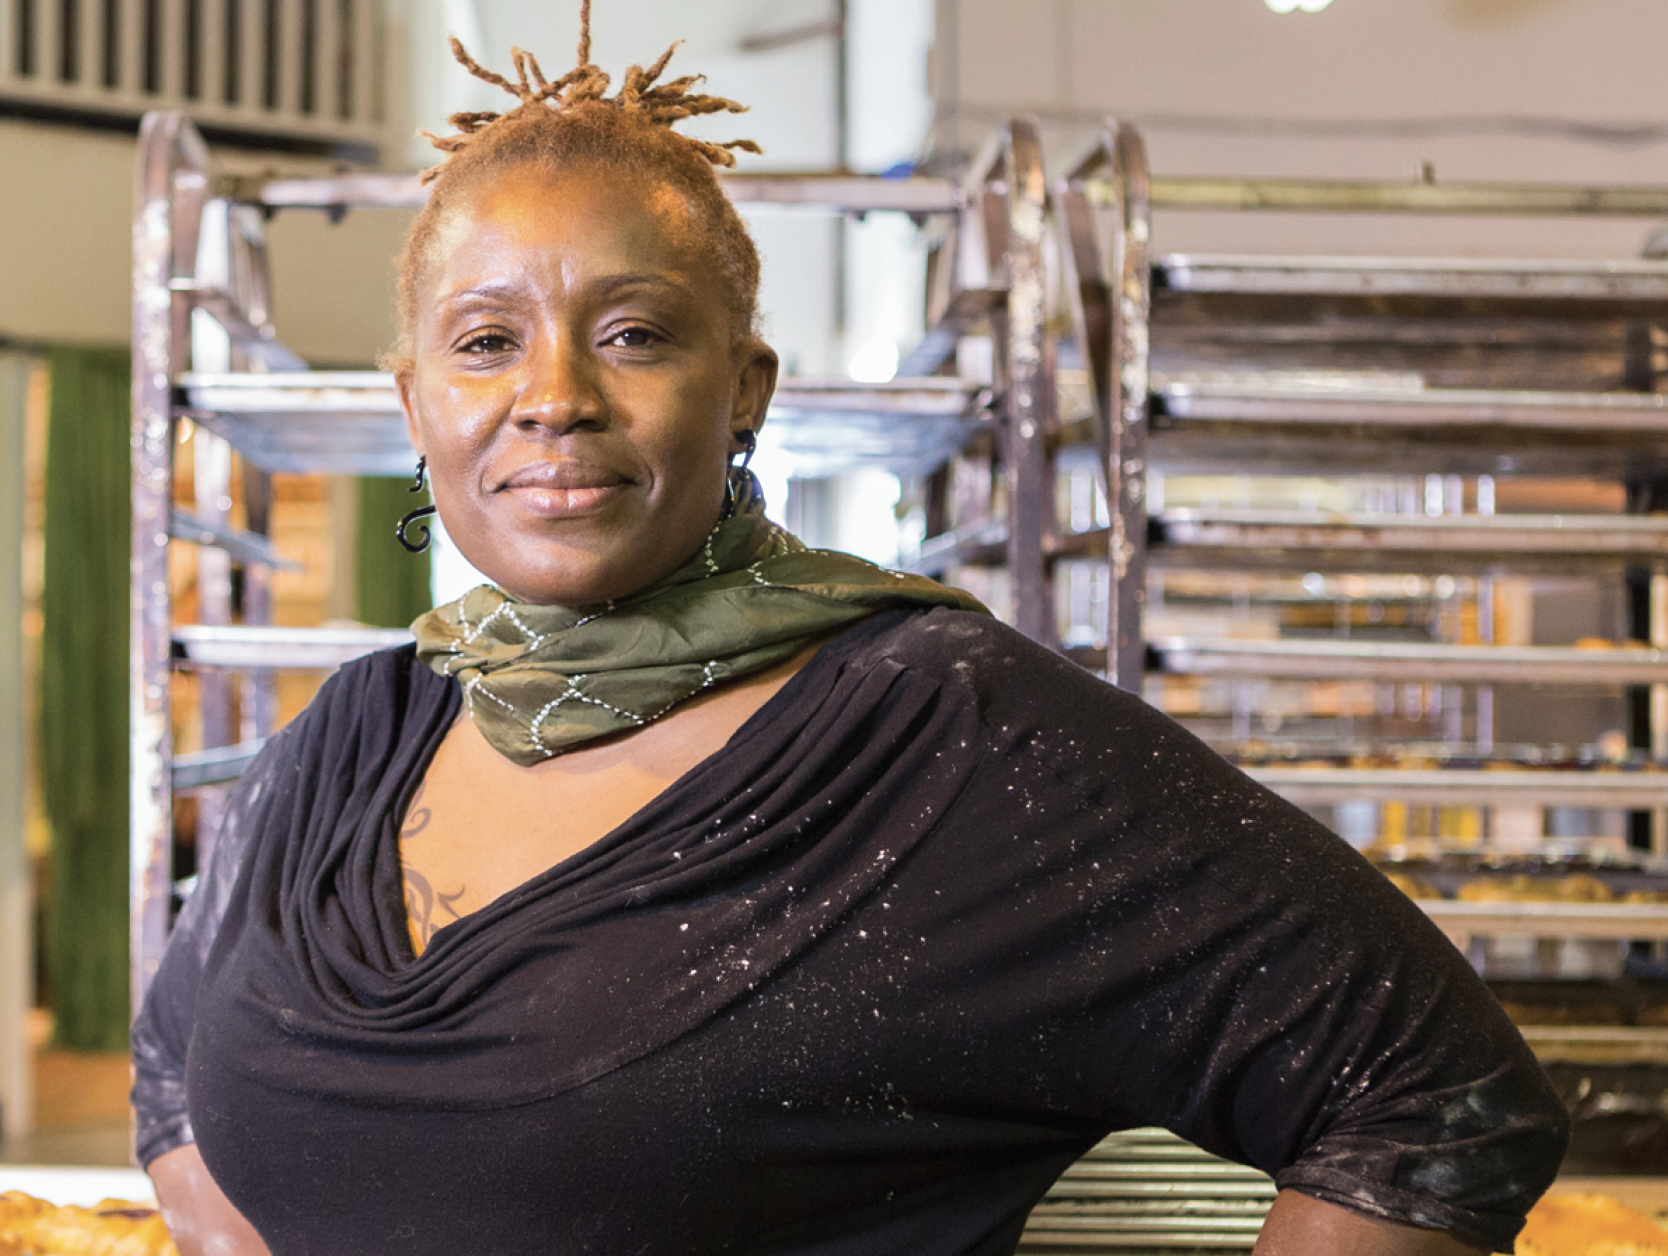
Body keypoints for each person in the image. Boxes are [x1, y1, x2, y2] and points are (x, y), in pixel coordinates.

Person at [132, 6, 1569, 1253]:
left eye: (634, 333)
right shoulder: (357, 732)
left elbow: (1433, 1094)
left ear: (744, 387)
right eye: (487, 340)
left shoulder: (945, 732)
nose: (553, 394)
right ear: (414, 405)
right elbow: (174, 1074)